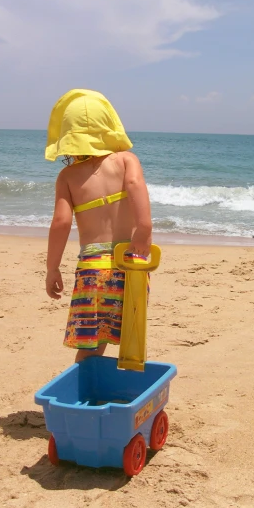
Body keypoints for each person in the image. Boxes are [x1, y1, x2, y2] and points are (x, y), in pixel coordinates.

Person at [44, 89, 152, 362]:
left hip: (92, 269)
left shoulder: (67, 177)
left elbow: (61, 222)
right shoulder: (127, 160)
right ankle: (127, 390)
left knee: (92, 342)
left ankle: (84, 392)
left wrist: (52, 267)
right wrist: (144, 231)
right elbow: (135, 187)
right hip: (129, 263)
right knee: (132, 336)